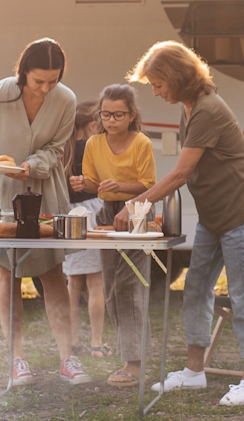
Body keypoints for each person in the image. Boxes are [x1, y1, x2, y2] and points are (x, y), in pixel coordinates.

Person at [116, 41, 244, 406]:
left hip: (240, 210)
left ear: (176, 76)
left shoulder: (207, 109)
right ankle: (194, 372)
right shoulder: (190, 107)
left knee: (243, 294)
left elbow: (182, 173)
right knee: (196, 288)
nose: (155, 92)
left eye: (158, 83)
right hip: (213, 215)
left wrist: (136, 203)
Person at [0, 38, 90, 385]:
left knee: (52, 274)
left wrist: (32, 165)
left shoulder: (66, 99)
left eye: (53, 81)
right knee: (8, 274)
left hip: (44, 190)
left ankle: (67, 359)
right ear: (23, 73)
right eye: (38, 81)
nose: (46, 89)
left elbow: (56, 147)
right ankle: (18, 360)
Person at [69, 84, 158, 388]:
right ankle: (131, 356)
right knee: (110, 287)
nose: (111, 121)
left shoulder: (141, 143)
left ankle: (135, 362)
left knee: (128, 284)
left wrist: (119, 186)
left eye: (118, 115)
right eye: (106, 115)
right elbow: (96, 185)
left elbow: (148, 185)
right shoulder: (94, 143)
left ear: (131, 115)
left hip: (136, 213)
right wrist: (84, 184)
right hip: (108, 213)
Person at [62, 100, 110, 360]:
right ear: (92, 125)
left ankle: (72, 341)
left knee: (72, 284)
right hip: (91, 215)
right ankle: (96, 343)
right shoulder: (94, 148)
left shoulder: (64, 150)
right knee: (96, 283)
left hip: (69, 217)